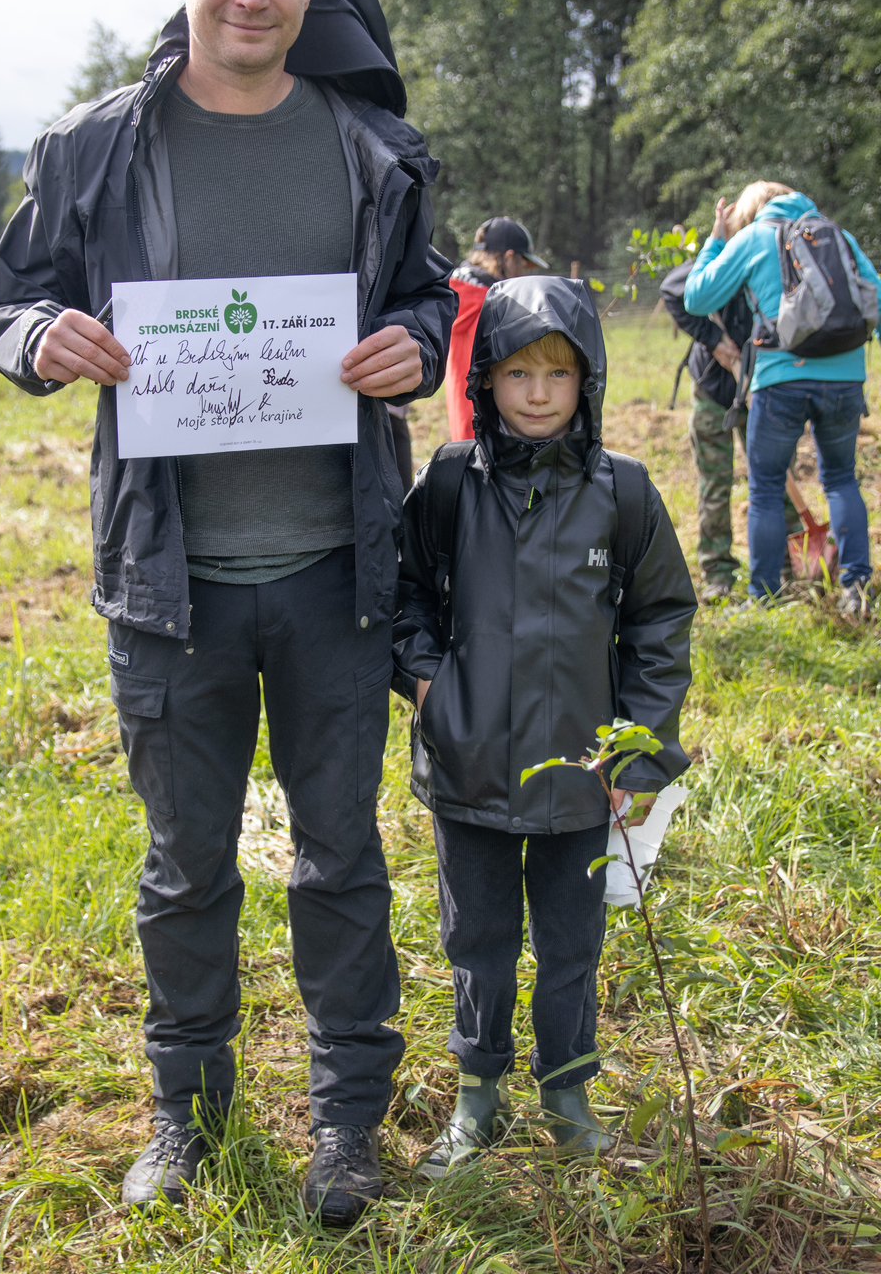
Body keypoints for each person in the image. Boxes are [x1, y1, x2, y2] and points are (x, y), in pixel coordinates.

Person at [0, 0, 456, 1223]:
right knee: (186, 867)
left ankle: (350, 1125)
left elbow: (428, 304)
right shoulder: (89, 148)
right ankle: (188, 1120)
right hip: (167, 585)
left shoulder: (375, 151)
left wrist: (412, 349)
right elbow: (6, 304)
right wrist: (39, 337)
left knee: (341, 858)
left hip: (334, 575)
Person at [393, 276, 696, 1175]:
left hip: (581, 776)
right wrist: (427, 687)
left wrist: (639, 750)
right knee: (476, 940)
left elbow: (661, 623)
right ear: (485, 379)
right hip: (469, 765)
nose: (536, 393)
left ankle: (567, 1090)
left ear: (588, 383)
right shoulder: (449, 483)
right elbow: (403, 593)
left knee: (572, 942)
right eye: (518, 372)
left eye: (557, 376)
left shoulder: (625, 494)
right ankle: (476, 1096)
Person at [684, 183, 881, 612]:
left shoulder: (754, 237)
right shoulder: (836, 234)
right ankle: (857, 589)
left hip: (780, 380)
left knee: (767, 489)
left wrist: (717, 239)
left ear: (753, 208)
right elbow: (876, 299)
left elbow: (697, 297)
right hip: (846, 378)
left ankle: (765, 597)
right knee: (843, 479)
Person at [660, 214, 800, 601]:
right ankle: (718, 572)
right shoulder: (722, 262)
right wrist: (714, 339)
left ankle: (788, 567)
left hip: (766, 390)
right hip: (714, 391)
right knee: (715, 485)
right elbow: (673, 289)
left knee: (774, 483)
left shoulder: (782, 267)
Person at [445, 217, 548, 441]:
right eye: (523, 264)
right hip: (497, 431)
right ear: (510, 258)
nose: (523, 273)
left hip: (463, 428)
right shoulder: (496, 306)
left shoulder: (450, 295)